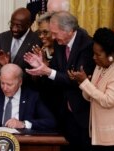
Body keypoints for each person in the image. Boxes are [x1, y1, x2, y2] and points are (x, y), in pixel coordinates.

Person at [24, 11, 95, 151]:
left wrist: (47, 70)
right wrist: (43, 67)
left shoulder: (87, 45)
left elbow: (76, 80)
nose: (53, 37)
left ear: (68, 31)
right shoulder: (60, 43)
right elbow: (57, 76)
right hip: (63, 112)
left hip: (82, 113)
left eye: (55, 33)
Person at [68, 28, 114, 151]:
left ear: (111, 55)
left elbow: (108, 101)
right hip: (97, 132)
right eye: (93, 53)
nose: (94, 57)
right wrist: (82, 82)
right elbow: (88, 96)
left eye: (98, 54)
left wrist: (85, 82)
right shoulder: (100, 67)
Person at [0, 7, 42, 89]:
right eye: (12, 24)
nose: (14, 28)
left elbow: (37, 76)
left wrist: (8, 67)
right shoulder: (3, 37)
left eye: (19, 26)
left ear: (29, 24)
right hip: (4, 91)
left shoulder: (37, 40)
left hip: (26, 93)